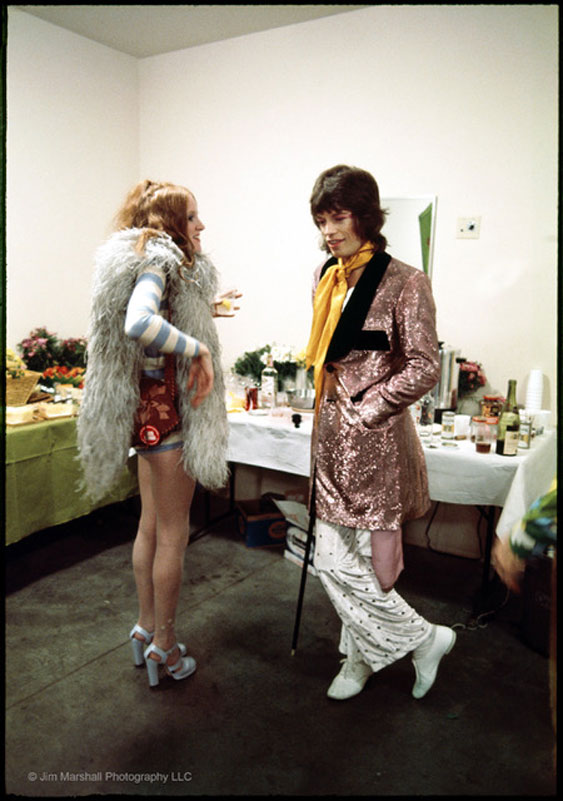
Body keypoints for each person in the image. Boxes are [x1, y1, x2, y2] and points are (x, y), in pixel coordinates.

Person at [77, 180, 239, 688]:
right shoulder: (159, 260)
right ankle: (165, 647)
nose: (201, 225)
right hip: (170, 419)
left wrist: (206, 314)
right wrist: (201, 348)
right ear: (171, 223)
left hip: (148, 420)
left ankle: (145, 628)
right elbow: (139, 322)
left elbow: (154, 319)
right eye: (192, 216)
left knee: (150, 526)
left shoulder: (144, 257)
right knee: (172, 534)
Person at [305, 164, 456, 701]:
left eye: (338, 217)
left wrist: (367, 408)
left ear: (365, 216)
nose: (329, 230)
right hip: (329, 444)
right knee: (330, 556)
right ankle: (421, 640)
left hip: (375, 443)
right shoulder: (329, 275)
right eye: (322, 220)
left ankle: (360, 660)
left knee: (368, 561)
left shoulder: (406, 281)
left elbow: (422, 365)